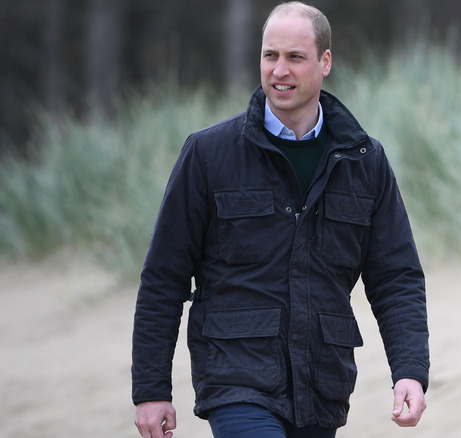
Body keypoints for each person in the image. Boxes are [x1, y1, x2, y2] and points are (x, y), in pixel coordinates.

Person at [132, 2, 429, 437]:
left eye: (295, 57)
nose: (279, 70)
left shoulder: (364, 161)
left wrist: (409, 371)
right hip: (236, 380)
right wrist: (151, 388)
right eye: (270, 56)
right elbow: (164, 276)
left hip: (322, 386)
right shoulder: (209, 154)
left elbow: (396, 278)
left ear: (325, 61)